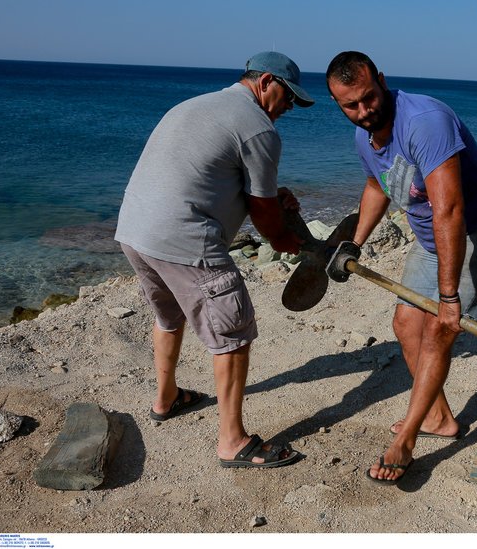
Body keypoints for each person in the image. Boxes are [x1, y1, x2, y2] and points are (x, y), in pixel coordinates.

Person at [326, 51, 477, 483]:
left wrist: (448, 297)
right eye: (350, 106)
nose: (363, 111)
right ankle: (438, 419)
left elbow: (448, 209)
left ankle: (407, 441)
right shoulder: (366, 134)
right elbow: (378, 184)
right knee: (406, 323)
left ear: (381, 78)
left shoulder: (424, 121)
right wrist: (352, 243)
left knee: (438, 327)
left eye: (368, 97)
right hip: (434, 242)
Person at [115, 51, 314, 469]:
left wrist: (274, 202)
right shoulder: (259, 128)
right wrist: (283, 238)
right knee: (233, 332)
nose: (288, 109)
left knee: (169, 316)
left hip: (135, 231)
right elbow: (261, 210)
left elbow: (209, 176)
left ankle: (166, 398)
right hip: (185, 238)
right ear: (264, 83)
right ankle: (232, 442)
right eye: (287, 98)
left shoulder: (196, 104)